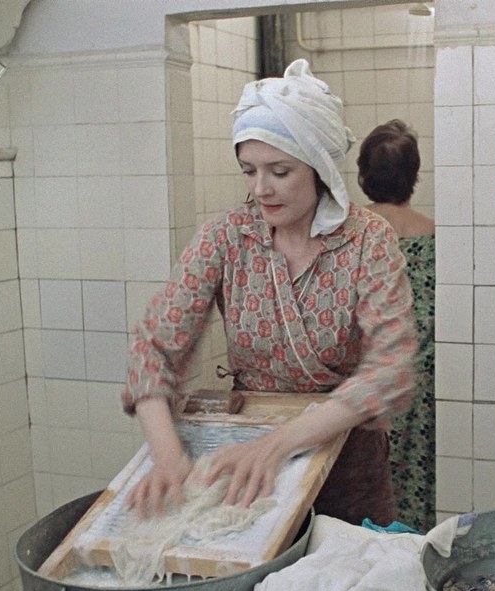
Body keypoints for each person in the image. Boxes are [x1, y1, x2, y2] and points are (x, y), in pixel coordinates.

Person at [121, 59, 418, 527]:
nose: (260, 189)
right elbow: (154, 347)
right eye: (248, 171)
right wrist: (169, 457)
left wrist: (277, 445)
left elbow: (391, 366)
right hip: (247, 472)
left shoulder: (367, 240)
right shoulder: (226, 238)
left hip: (345, 465)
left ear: (319, 168)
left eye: (279, 171)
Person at [356, 119, 436, 532]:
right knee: (417, 473)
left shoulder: (352, 232)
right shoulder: (435, 235)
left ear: (363, 174)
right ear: (413, 176)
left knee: (367, 478)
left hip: (365, 376)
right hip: (420, 376)